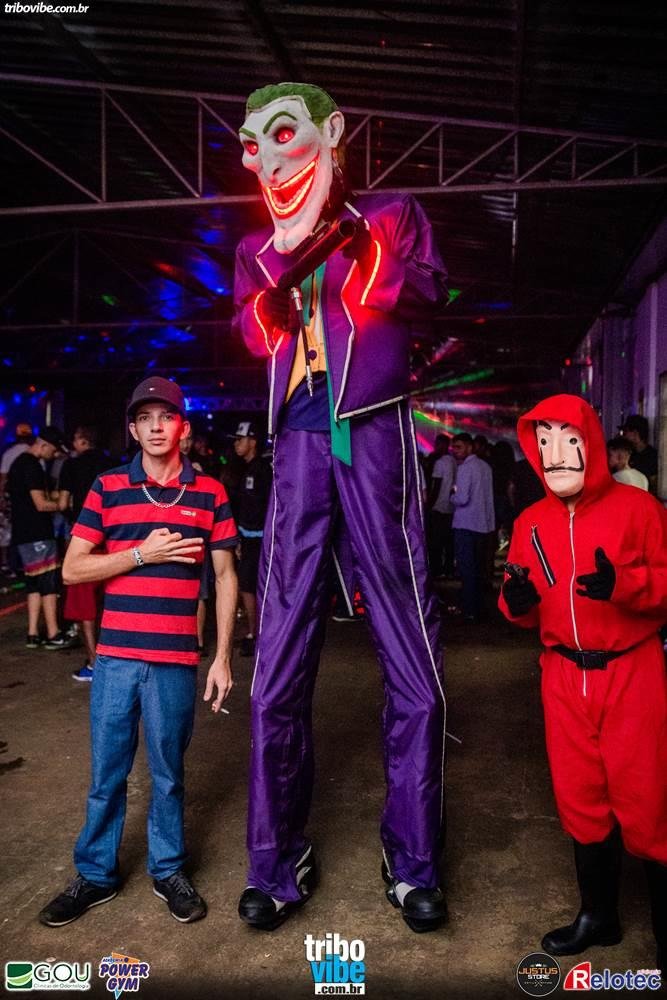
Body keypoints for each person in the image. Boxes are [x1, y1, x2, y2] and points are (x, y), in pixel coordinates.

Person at [233, 82, 448, 932]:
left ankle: (415, 860)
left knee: (412, 656)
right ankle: (274, 861)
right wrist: (269, 308)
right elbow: (253, 335)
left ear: (330, 134)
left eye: (283, 134)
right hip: (295, 437)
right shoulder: (256, 245)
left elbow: (427, 294)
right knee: (275, 666)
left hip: (373, 429)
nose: (268, 158)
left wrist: (362, 250)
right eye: (252, 144)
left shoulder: (391, 215)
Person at [38, 376, 239, 928]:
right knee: (107, 773)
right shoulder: (107, 487)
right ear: (132, 429)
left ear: (183, 427)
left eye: (166, 416)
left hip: (175, 660)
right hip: (116, 659)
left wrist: (222, 656)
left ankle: (168, 869)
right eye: (145, 418)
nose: (155, 426)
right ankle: (95, 875)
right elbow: (72, 568)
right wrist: (140, 555)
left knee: (169, 774)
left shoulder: (210, 492)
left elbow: (225, 577)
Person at [498, 394, 666, 974]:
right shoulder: (530, 522)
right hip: (563, 676)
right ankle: (599, 917)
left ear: (590, 442)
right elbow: (518, 600)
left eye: (567, 438)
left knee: (648, 799)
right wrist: (516, 601)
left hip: (632, 672)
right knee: (580, 797)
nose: (555, 453)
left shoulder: (640, 509)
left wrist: (626, 584)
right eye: (542, 440)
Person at [7, 426, 71, 649]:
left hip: (23, 533)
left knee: (33, 584)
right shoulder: (32, 465)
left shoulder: (19, 463)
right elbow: (41, 504)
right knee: (49, 583)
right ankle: (53, 633)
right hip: (37, 534)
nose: (54, 455)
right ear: (44, 445)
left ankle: (33, 633)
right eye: (53, 450)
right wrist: (62, 504)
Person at [58, 425, 113, 681]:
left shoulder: (71, 465)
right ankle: (117, 659)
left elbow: (62, 503)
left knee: (84, 607)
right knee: (113, 603)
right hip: (114, 539)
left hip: (85, 541)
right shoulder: (113, 464)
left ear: (82, 441)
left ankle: (93, 664)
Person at [231, 421, 272, 658]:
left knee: (249, 585)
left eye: (240, 439)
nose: (236, 444)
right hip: (248, 538)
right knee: (247, 584)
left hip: (260, 540)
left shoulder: (262, 470)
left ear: (252, 441)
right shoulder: (246, 469)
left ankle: (256, 634)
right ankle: (254, 632)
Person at [450, 433, 495, 622]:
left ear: (470, 447)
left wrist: (451, 496)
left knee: (467, 569)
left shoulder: (464, 468)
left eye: (459, 447)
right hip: (483, 525)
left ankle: (469, 609)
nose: (455, 451)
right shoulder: (485, 467)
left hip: (465, 523)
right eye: (454, 447)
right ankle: (478, 608)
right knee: (478, 569)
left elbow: (462, 498)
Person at [426, 434, 456, 578]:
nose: (435, 447)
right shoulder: (454, 461)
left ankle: (436, 569)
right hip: (451, 506)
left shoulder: (440, 463)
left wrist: (429, 505)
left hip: (438, 506)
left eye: (437, 444)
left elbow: (436, 486)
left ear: (444, 445)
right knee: (448, 541)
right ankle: (448, 568)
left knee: (436, 541)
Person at [621, 414, 658, 494]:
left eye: (626, 431)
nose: (624, 435)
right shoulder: (628, 453)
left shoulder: (652, 456)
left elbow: (654, 486)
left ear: (635, 433)